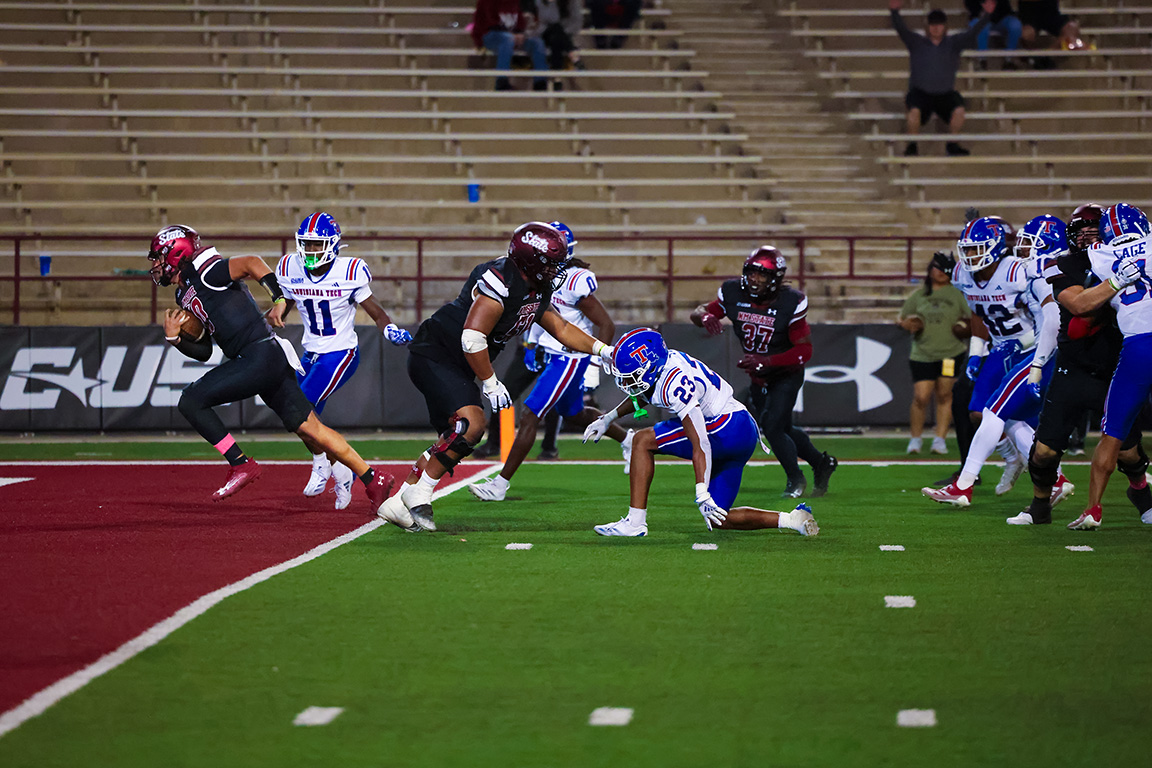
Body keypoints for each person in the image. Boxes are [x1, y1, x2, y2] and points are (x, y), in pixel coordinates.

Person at [376, 221, 616, 533]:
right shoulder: (502, 279)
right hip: (436, 353)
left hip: (457, 362)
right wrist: (490, 381)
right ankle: (419, 492)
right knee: (472, 426)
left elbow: (562, 329)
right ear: (532, 260)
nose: (558, 270)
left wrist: (603, 350)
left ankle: (396, 503)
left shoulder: (536, 285)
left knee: (454, 437)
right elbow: (472, 338)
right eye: (552, 263)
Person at [146, 225, 394, 507]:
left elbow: (251, 262)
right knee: (310, 427)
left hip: (258, 355)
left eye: (159, 257)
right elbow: (203, 351)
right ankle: (374, 478)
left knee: (191, 400)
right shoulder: (184, 293)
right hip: (268, 357)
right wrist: (175, 338)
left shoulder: (206, 270)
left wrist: (278, 298)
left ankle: (240, 464)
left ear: (176, 253)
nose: (156, 265)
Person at [583, 328, 819, 538]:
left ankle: (634, 523)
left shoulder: (674, 383)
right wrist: (609, 418)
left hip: (725, 428)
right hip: (742, 430)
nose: (627, 380)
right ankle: (792, 520)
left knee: (642, 441)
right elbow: (645, 393)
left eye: (634, 374)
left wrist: (700, 489)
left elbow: (701, 443)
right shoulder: (663, 365)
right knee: (719, 517)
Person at [469, 223, 632, 502]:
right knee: (575, 414)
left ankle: (500, 484)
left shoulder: (575, 280)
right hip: (551, 352)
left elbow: (604, 323)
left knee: (530, 415)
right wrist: (532, 344)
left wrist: (595, 367)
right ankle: (630, 440)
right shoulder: (536, 278)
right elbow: (538, 312)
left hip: (569, 357)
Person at [1007, 205, 1145, 525]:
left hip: (1114, 367)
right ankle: (1040, 506)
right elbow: (1078, 307)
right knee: (1043, 452)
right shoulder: (1064, 264)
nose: (1089, 235)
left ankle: (1141, 493)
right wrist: (1116, 281)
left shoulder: (1123, 259)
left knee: (1128, 451)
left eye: (1095, 228)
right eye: (1082, 228)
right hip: (1073, 367)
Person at [275, 212, 412, 510]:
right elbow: (282, 304)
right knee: (302, 422)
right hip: (310, 352)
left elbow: (375, 310)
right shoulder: (288, 267)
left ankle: (322, 463)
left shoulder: (349, 271)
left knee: (300, 410)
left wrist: (387, 327)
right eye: (307, 245)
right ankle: (340, 470)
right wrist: (274, 312)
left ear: (334, 245)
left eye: (317, 245)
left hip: (340, 352)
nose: (311, 252)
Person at [922, 215, 1060, 506]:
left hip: (1029, 348)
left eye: (977, 248)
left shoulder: (1016, 272)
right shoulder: (962, 274)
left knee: (1000, 412)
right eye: (967, 249)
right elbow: (978, 313)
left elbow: (1046, 319)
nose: (970, 255)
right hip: (999, 348)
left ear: (996, 247)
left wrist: (1028, 349)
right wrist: (976, 353)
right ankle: (1014, 460)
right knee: (980, 412)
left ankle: (968, 485)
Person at [689, 246, 837, 498]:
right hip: (758, 374)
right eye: (751, 273)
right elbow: (700, 311)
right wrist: (703, 317)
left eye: (763, 275)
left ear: (776, 279)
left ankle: (795, 479)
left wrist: (767, 362)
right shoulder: (733, 292)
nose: (755, 279)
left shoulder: (790, 302)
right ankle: (821, 463)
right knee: (784, 429)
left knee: (771, 426)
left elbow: (805, 350)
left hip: (786, 373)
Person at [1061, 204, 1152, 530]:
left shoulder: (1100, 255)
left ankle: (1093, 509)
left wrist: (1114, 281)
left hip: (1138, 346)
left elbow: (1082, 312)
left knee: (1111, 433)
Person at [889, 0, 995, 157]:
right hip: (920, 93)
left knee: (959, 110)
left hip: (945, 94)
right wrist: (894, 12)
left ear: (945, 26)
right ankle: (912, 145)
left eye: (939, 24)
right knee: (914, 111)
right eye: (932, 24)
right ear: (927, 26)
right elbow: (901, 29)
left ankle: (952, 144)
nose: (936, 27)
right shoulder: (916, 42)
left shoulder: (954, 43)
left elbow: (973, 33)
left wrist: (987, 15)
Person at [897, 251, 971, 455]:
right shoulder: (920, 295)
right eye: (936, 267)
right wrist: (909, 324)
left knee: (945, 395)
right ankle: (915, 438)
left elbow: (971, 317)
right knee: (921, 396)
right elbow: (902, 318)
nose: (940, 272)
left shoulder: (957, 294)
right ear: (930, 270)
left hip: (950, 353)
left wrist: (963, 326)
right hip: (922, 353)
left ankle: (940, 439)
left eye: (944, 268)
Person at [471, 0, 550, 91]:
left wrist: (520, 34)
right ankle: (501, 81)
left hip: (510, 36)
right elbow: (491, 23)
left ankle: (540, 82)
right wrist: (512, 35)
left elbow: (519, 23)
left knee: (537, 42)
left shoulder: (514, 2)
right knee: (507, 39)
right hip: (489, 35)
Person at [531, 0, 586, 76]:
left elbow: (576, 23)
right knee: (556, 28)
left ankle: (556, 76)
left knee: (556, 38)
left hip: (562, 35)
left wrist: (564, 33)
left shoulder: (572, 2)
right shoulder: (539, 2)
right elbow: (542, 22)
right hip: (543, 33)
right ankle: (573, 55)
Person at [964, 0, 1022, 69]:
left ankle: (1009, 59)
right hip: (979, 17)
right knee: (981, 26)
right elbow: (972, 8)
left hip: (1001, 18)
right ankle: (982, 61)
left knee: (1015, 25)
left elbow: (1005, 9)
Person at [1018, 0, 1086, 53]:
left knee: (1072, 27)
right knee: (1026, 34)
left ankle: (1047, 55)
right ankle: (1033, 58)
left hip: (1052, 14)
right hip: (1029, 16)